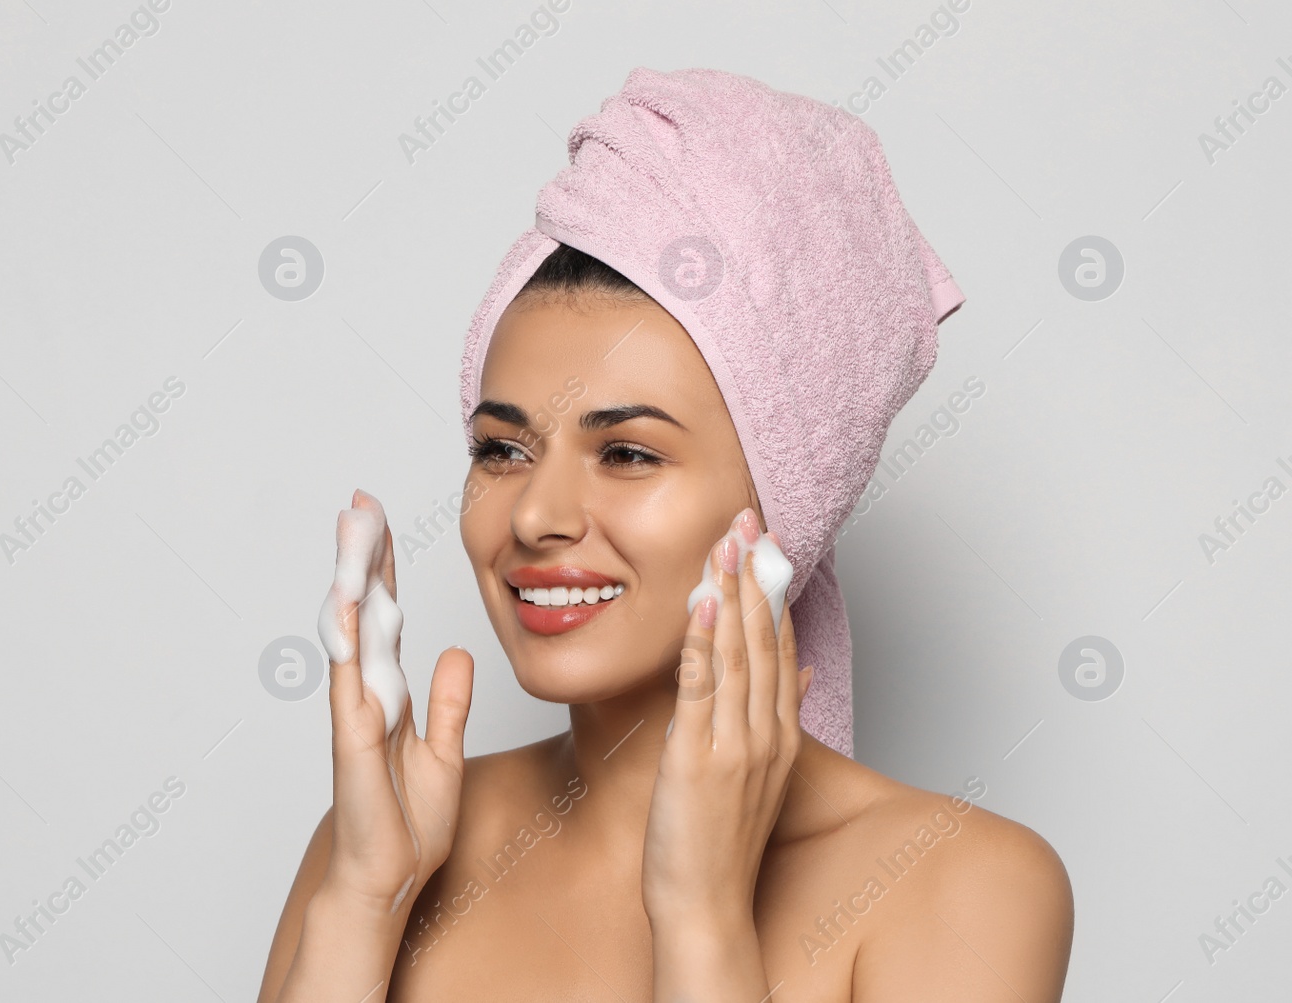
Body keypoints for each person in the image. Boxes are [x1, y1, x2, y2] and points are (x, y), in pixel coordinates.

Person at [258, 69, 1074, 1002]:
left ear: (784, 503)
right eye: (503, 447)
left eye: (629, 453)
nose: (534, 515)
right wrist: (366, 897)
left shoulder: (962, 885)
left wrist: (701, 915)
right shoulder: (382, 843)